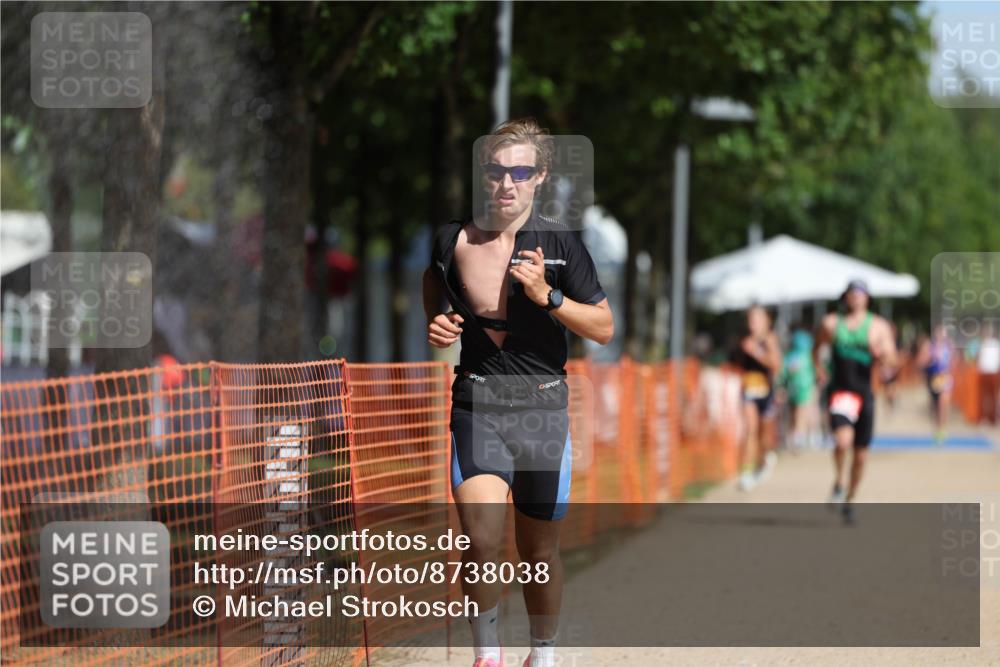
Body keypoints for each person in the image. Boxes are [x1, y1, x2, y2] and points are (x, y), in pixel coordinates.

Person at [422, 118, 613, 667]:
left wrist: (548, 296)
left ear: (540, 176)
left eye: (520, 172)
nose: (506, 183)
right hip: (478, 405)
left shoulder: (561, 245)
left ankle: (544, 655)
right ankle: (488, 655)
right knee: (481, 541)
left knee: (537, 553)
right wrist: (437, 324)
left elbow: (602, 327)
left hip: (543, 410)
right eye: (497, 171)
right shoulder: (451, 239)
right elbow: (433, 292)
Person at [813, 280, 898, 524]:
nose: (856, 298)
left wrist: (881, 354)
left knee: (860, 456)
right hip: (841, 392)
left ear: (867, 298)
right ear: (845, 298)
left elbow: (893, 361)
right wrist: (819, 369)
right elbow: (816, 348)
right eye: (852, 294)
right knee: (842, 441)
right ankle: (839, 481)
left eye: (860, 294)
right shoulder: (831, 324)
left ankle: (850, 499)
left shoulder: (878, 327)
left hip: (866, 395)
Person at [732, 305, 782, 491]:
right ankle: (746, 472)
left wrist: (757, 352)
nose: (753, 323)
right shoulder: (744, 340)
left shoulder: (769, 339)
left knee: (764, 436)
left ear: (767, 321)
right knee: (750, 430)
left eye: (757, 319)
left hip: (766, 392)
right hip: (749, 391)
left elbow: (776, 365)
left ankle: (764, 460)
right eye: (751, 319)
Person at [779, 326, 818, 451]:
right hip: (802, 388)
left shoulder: (793, 356)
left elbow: (784, 373)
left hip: (799, 388)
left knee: (799, 412)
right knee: (801, 412)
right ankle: (799, 436)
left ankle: (800, 436)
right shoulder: (805, 356)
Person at [917, 325, 955, 443]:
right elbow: (921, 362)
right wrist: (929, 360)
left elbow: (953, 362)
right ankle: (937, 427)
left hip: (945, 378)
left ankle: (943, 428)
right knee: (935, 405)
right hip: (933, 378)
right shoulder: (929, 347)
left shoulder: (949, 346)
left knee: (943, 403)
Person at [978, 322, 1000, 425]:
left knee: (993, 396)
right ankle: (985, 416)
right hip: (984, 373)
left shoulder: (995, 343)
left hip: (993, 372)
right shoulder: (982, 344)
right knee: (984, 396)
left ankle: (993, 418)